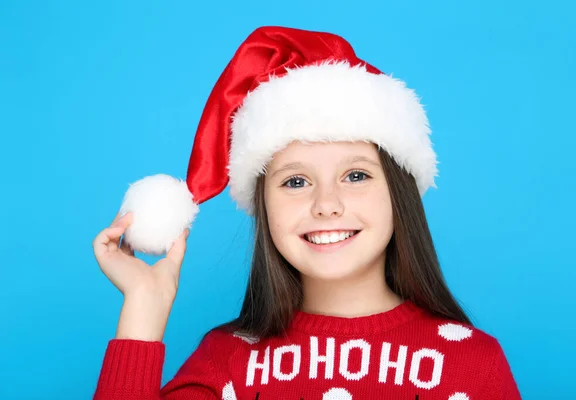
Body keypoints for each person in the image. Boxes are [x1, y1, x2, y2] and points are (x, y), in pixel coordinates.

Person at [92, 26, 522, 400]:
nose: (326, 204)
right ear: (264, 207)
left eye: (356, 175)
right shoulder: (226, 361)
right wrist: (144, 306)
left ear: (398, 194)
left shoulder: (472, 362)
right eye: (295, 182)